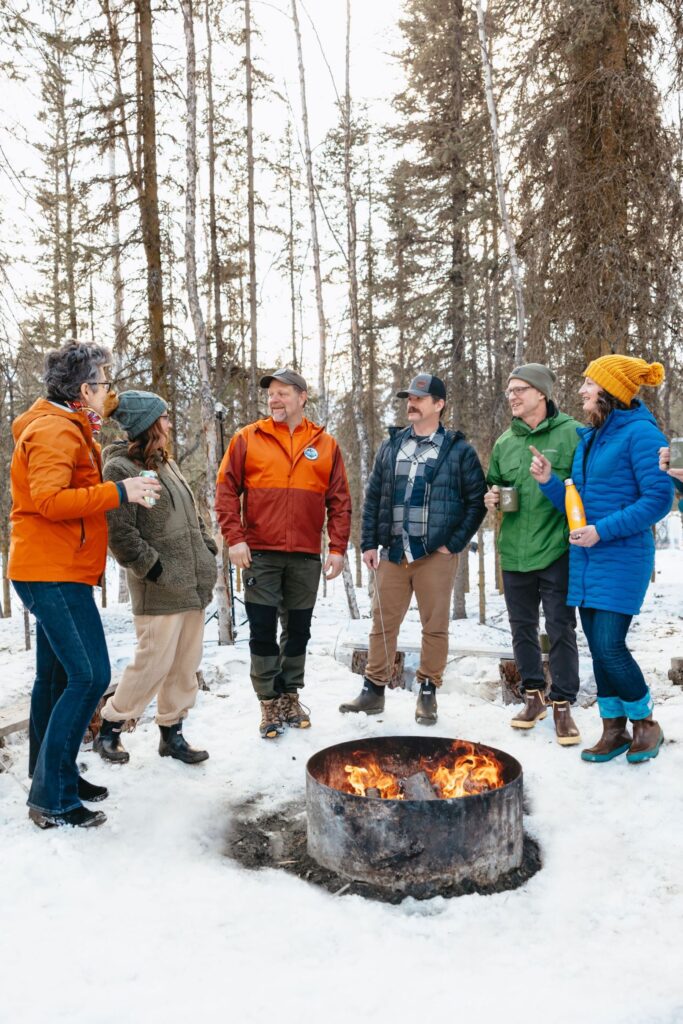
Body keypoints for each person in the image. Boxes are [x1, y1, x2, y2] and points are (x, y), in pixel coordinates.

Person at [8, 343, 160, 829]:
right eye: (105, 383)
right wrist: (121, 491)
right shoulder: (55, 428)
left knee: (54, 679)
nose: (109, 391)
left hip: (57, 567)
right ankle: (52, 796)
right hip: (51, 570)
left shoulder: (68, 424)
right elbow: (50, 500)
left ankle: (51, 776)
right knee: (90, 676)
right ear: (83, 389)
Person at [530, 355, 673, 764]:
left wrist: (602, 531)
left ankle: (645, 722)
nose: (581, 391)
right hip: (588, 559)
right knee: (597, 646)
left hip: (623, 557)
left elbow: (658, 500)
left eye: (589, 384)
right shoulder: (591, 438)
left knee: (610, 645)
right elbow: (578, 505)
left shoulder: (642, 435)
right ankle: (613, 728)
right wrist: (548, 484)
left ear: (610, 391)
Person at [339, 373, 486, 725]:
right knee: (382, 623)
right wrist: (369, 541)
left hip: (434, 553)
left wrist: (454, 543)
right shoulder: (391, 446)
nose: (412, 403)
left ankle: (428, 692)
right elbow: (374, 497)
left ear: (439, 404)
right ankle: (374, 691)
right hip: (392, 551)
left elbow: (476, 502)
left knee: (434, 625)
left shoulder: (459, 450)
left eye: (420, 397)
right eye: (409, 397)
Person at [216, 368, 351, 738]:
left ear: (302, 397)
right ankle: (268, 702)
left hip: (306, 555)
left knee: (298, 632)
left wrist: (337, 547)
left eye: (283, 393)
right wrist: (235, 538)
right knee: (262, 630)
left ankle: (290, 694)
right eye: (271, 394)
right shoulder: (248, 438)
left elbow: (340, 501)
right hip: (259, 553)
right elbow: (226, 491)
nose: (275, 400)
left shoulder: (325, 445)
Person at [93, 391, 217, 765]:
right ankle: (111, 726)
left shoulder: (167, 463)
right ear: (148, 425)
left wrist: (207, 547)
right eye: (163, 418)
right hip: (159, 588)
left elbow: (192, 515)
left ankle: (171, 733)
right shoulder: (120, 470)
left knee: (184, 664)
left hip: (192, 584)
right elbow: (121, 535)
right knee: (152, 663)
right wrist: (155, 568)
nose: (169, 424)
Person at [485, 363, 583, 744]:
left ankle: (562, 705)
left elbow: (582, 494)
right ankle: (533, 697)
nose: (512, 396)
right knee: (521, 629)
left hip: (556, 548)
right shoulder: (504, 442)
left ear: (541, 393)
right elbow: (495, 484)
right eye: (510, 390)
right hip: (513, 551)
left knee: (560, 628)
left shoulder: (573, 434)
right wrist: (491, 496)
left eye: (520, 389)